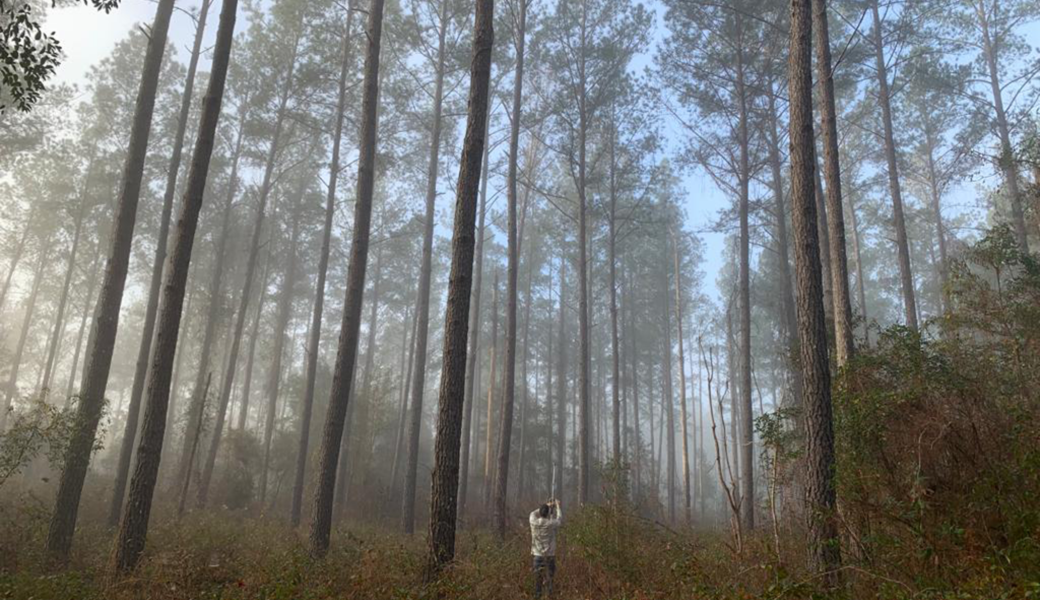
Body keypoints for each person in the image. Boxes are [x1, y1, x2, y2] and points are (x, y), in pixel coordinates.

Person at [529, 498, 562, 598]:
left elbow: (532, 513)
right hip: (550, 556)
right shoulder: (551, 524)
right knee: (550, 579)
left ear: (540, 513)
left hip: (537, 556)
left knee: (538, 581)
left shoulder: (533, 521)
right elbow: (559, 519)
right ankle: (549, 596)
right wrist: (557, 506)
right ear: (548, 514)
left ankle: (538, 597)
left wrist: (546, 506)